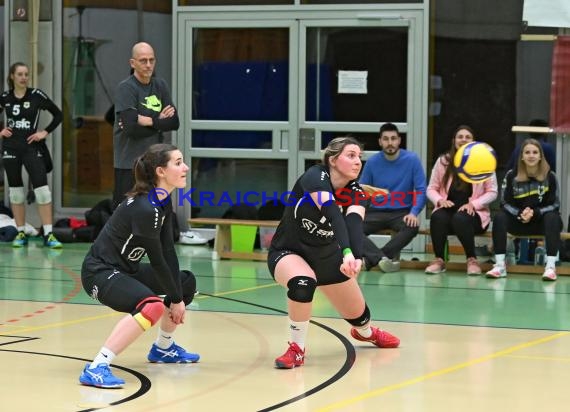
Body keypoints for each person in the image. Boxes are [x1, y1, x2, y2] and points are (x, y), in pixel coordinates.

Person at [267, 137, 400, 370]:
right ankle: (296, 349)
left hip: (327, 258)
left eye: (360, 157)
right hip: (289, 252)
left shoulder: (356, 191)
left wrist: (356, 257)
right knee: (302, 283)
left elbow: (354, 224)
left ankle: (367, 333)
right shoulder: (315, 177)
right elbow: (333, 214)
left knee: (360, 317)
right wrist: (347, 252)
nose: (358, 161)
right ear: (333, 159)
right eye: (351, 155)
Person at [79, 143, 200, 388]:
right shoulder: (146, 208)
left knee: (185, 281)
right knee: (151, 307)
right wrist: (175, 301)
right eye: (178, 163)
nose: (185, 167)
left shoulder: (162, 201)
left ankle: (163, 348)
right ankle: (97, 366)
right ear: (160, 172)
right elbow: (156, 261)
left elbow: (167, 251)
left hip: (125, 270)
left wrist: (177, 293)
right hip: (99, 273)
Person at [0, 62, 63, 249]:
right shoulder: (5, 97)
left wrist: (44, 132)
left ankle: (49, 234)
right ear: (12, 76)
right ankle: (20, 232)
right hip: (11, 149)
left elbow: (57, 115)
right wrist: (1, 131)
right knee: (16, 192)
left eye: (26, 74)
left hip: (31, 148)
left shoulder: (36, 95)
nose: (23, 77)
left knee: (43, 192)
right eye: (19, 74)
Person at [112, 42, 179, 208]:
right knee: (127, 215)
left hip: (155, 163)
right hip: (130, 164)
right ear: (132, 63)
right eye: (143, 60)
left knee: (161, 212)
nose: (148, 65)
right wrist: (158, 120)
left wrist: (146, 120)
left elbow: (174, 122)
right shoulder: (126, 88)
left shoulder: (160, 85)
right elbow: (130, 129)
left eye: (152, 60)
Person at [425, 126, 498, 275]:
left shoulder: (484, 161)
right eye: (460, 136)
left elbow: (493, 192)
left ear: (473, 142)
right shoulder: (443, 161)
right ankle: (439, 260)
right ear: (454, 141)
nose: (463, 139)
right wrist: (439, 200)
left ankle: (472, 259)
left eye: (467, 137)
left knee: (460, 218)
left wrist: (474, 204)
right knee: (437, 216)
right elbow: (431, 188)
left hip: (473, 215)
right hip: (448, 210)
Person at [486, 138, 562, 281]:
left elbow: (555, 204)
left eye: (535, 152)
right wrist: (520, 213)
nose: (531, 155)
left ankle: (550, 267)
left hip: (541, 223)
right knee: (500, 217)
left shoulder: (550, 176)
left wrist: (536, 212)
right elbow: (504, 203)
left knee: (553, 217)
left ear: (540, 156)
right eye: (527, 152)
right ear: (522, 156)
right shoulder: (511, 175)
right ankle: (500, 265)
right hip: (518, 222)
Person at [359, 122, 427, 272]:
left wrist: (414, 213)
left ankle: (373, 259)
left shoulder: (412, 160)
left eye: (393, 138)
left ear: (399, 140)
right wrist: (356, 210)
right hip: (375, 211)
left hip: (401, 212)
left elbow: (421, 189)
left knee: (412, 226)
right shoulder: (372, 162)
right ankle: (381, 258)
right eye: (386, 139)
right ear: (380, 142)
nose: (390, 142)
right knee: (349, 226)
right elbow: (362, 190)